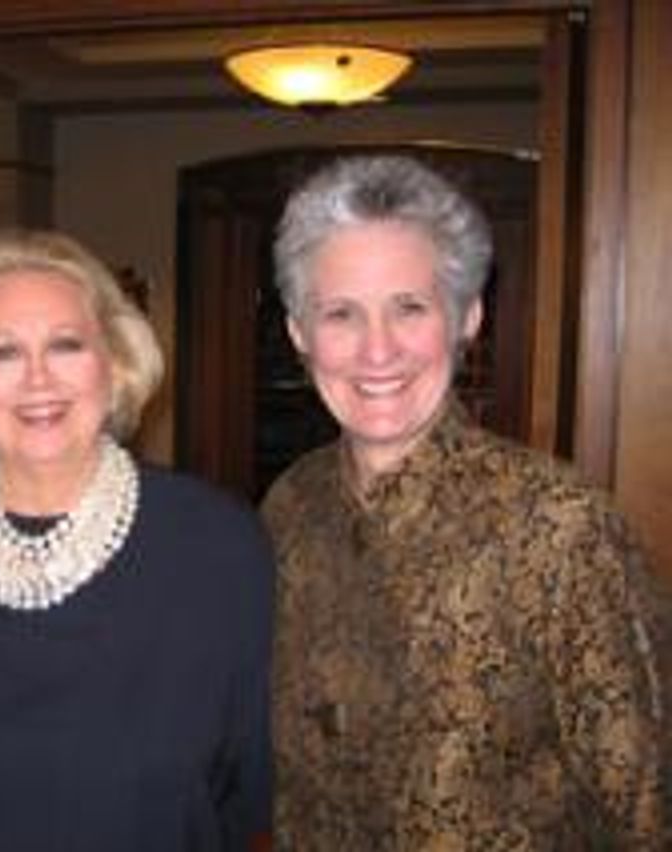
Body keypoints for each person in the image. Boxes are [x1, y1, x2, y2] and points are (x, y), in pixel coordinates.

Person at [260, 154, 668, 849]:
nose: (377, 350)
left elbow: (645, 806)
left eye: (410, 308)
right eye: (341, 314)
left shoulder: (558, 527)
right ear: (301, 334)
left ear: (467, 317)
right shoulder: (289, 508)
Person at [0, 229, 272, 851]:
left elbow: (250, 790)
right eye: (2, 353)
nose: (38, 379)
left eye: (66, 345)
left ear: (118, 364)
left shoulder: (218, 545)